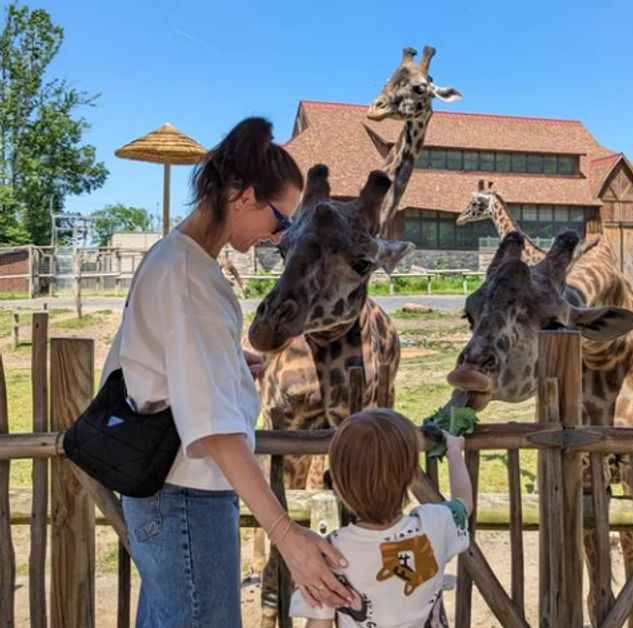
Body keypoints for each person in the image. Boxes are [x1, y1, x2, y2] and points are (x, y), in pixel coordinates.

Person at [103, 117, 353, 627]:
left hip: (164, 498)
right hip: (186, 500)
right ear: (243, 196)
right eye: (281, 218)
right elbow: (215, 432)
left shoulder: (174, 259)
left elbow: (147, 359)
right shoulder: (191, 278)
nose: (279, 234)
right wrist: (286, 534)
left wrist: (225, 364)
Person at [290, 409, 474, 628]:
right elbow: (464, 503)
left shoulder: (330, 554)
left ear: (338, 486)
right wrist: (454, 451)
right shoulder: (436, 524)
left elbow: (319, 624)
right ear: (412, 478)